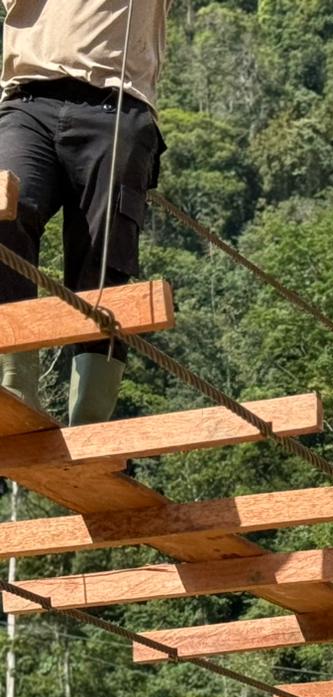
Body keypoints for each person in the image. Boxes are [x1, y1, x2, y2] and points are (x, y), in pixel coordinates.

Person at [0, 0, 171, 424]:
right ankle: (12, 382)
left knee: (103, 263)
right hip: (27, 100)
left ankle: (91, 419)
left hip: (116, 104)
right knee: (4, 214)